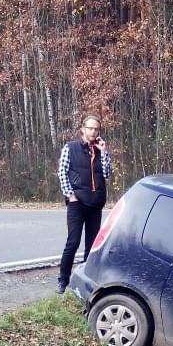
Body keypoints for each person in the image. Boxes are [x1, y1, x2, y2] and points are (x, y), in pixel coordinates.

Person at [56, 114, 112, 294]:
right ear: (83, 129)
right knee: (73, 242)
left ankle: (86, 283)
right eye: (90, 128)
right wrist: (71, 195)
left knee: (92, 245)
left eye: (96, 129)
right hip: (77, 202)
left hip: (95, 204)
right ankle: (63, 280)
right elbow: (62, 172)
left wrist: (104, 152)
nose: (93, 132)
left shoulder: (100, 150)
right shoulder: (70, 148)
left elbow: (107, 174)